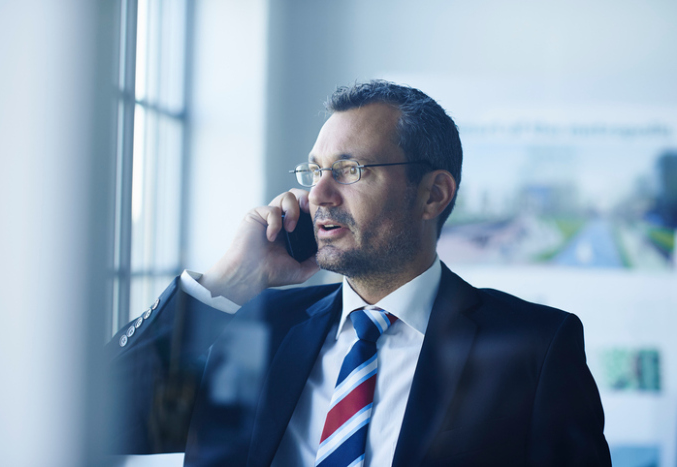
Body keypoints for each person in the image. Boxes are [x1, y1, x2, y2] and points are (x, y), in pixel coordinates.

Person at [105, 80, 611, 466]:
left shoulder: (535, 346)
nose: (318, 195)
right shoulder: (256, 325)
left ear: (433, 194)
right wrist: (229, 281)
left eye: (350, 170)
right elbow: (107, 423)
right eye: (314, 171)